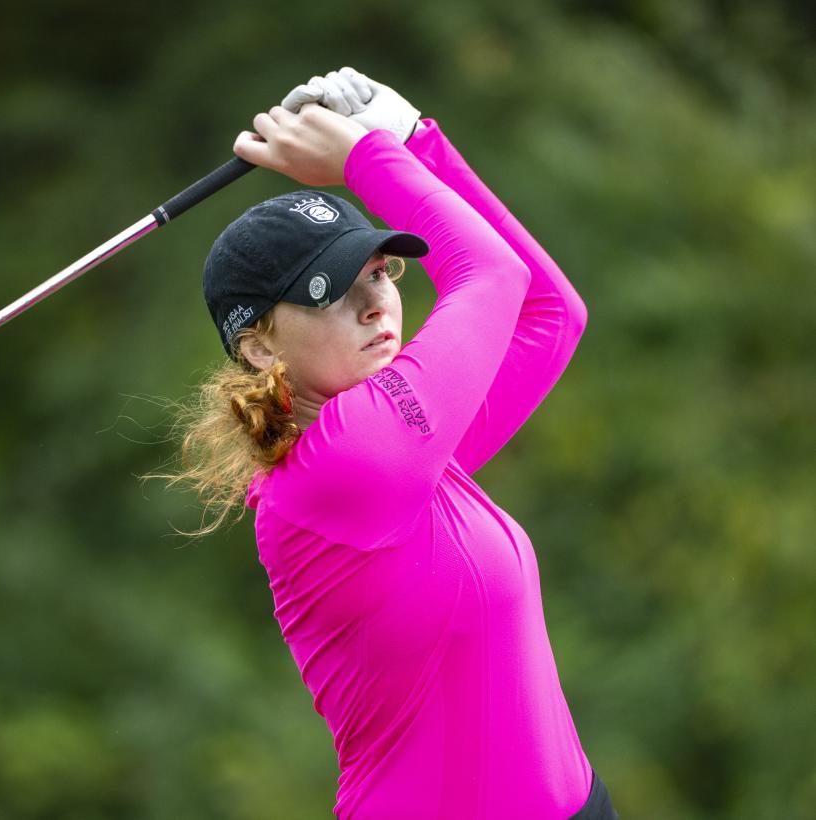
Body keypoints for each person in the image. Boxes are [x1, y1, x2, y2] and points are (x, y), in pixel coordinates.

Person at [147, 68, 620, 819]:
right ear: (262, 349)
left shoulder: (411, 454)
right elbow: (492, 274)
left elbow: (548, 311)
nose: (375, 305)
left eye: (382, 271)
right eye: (330, 292)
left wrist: (417, 139)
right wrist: (375, 154)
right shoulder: (348, 462)